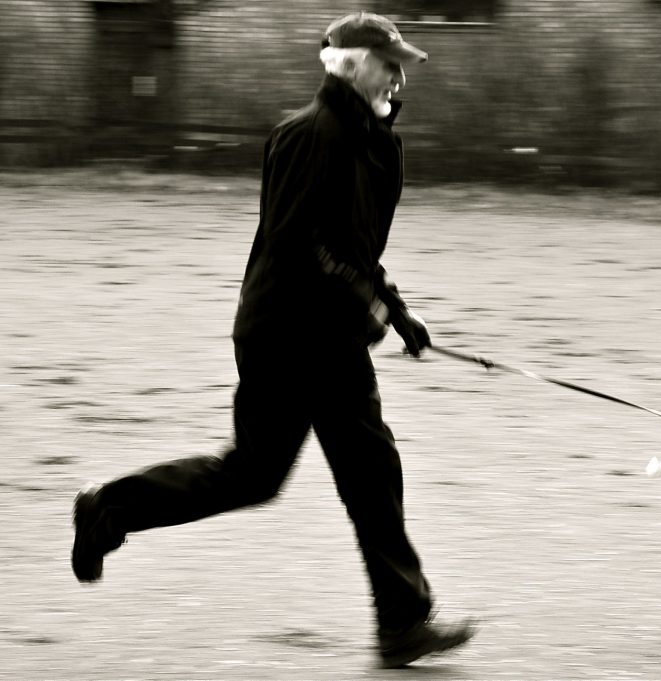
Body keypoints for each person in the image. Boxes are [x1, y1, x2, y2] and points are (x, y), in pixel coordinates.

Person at [71, 12, 475, 669]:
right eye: (386, 58)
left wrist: (397, 312)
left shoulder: (378, 144)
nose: (400, 71)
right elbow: (298, 242)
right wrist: (369, 306)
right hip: (286, 335)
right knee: (259, 475)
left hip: (332, 335)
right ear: (345, 62)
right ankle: (108, 507)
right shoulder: (307, 135)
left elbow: (356, 249)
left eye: (402, 60)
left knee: (360, 473)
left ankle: (401, 623)